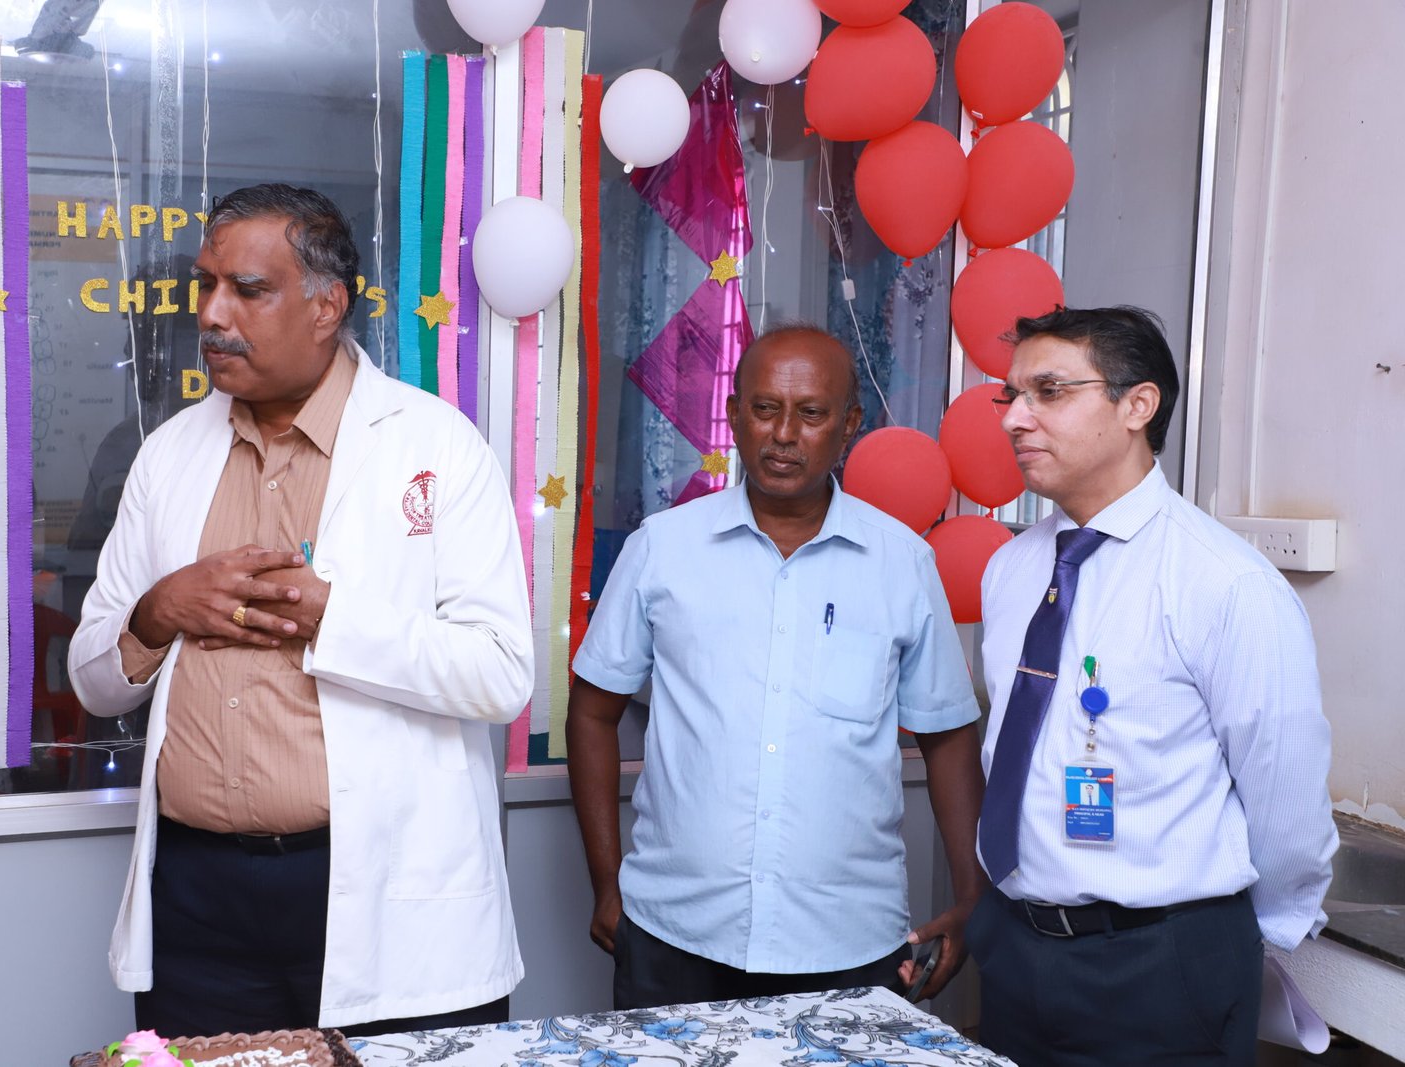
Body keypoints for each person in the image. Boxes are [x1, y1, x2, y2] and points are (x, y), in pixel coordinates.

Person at [68, 184, 532, 1036]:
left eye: (247, 290)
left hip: (378, 890)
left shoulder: (437, 446)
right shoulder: (169, 455)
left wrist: (330, 616)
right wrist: (161, 610)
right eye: (206, 285)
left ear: (327, 307)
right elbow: (95, 680)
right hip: (199, 904)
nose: (212, 314)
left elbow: (501, 673)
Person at [567, 323, 986, 1010]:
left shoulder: (902, 562)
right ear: (735, 415)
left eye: (811, 413)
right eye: (765, 409)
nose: (784, 434)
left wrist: (972, 897)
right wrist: (607, 883)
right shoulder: (662, 548)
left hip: (849, 941)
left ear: (849, 425)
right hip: (674, 932)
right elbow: (591, 710)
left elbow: (947, 736)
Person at [971, 306, 1337, 1066]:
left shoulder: (1225, 584)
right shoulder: (1011, 569)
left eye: (1049, 391)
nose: (1015, 418)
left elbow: (1287, 809)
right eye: (1012, 395)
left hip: (1160, 964)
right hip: (1015, 949)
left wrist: (1234, 947)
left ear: (1137, 405)